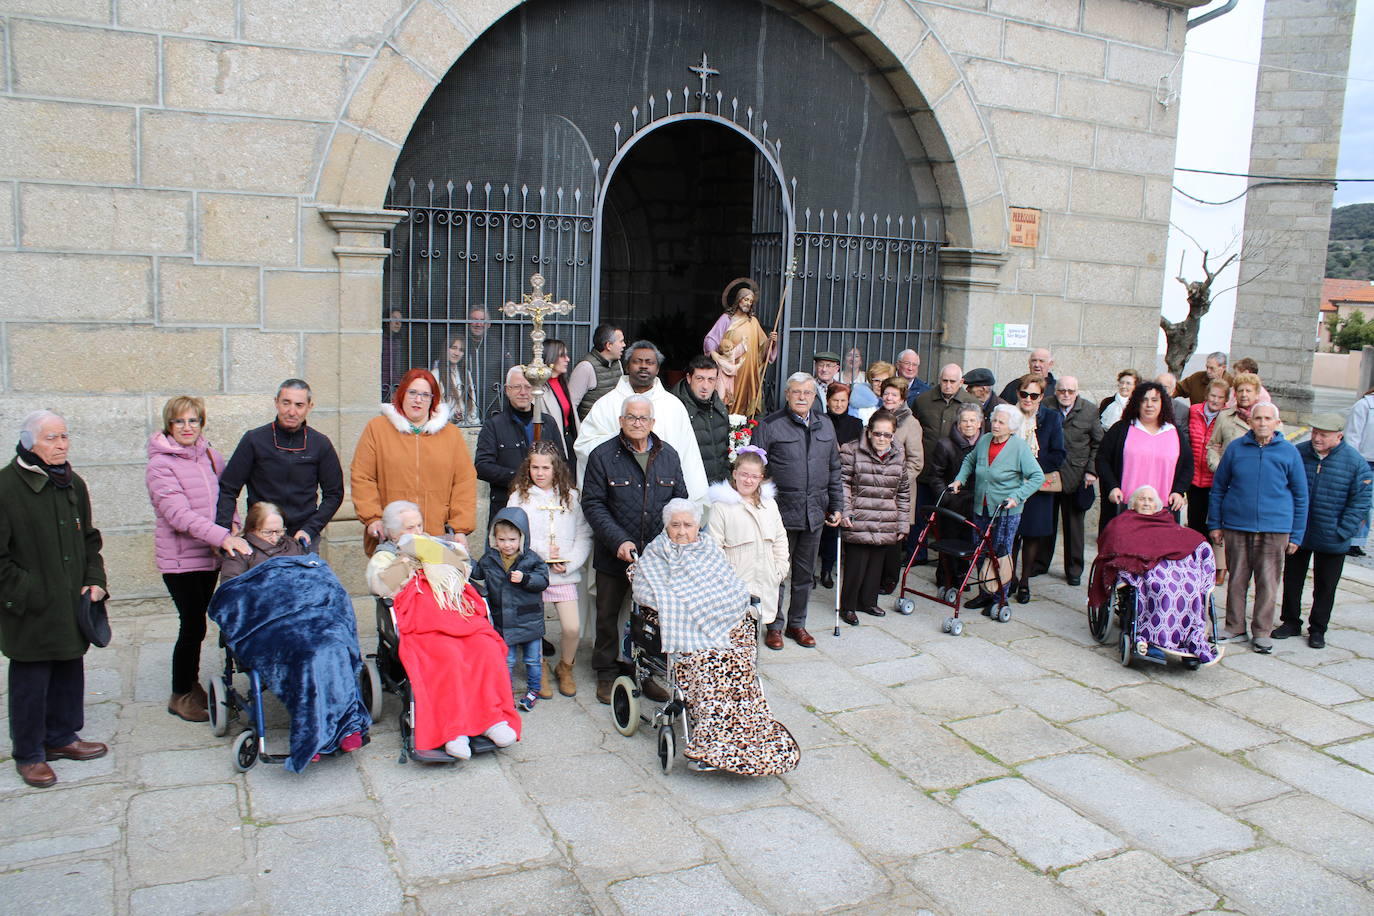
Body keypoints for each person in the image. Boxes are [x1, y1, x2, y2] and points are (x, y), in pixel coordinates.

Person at [631, 499, 800, 775]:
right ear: (666, 526)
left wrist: (709, 607)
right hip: (686, 636)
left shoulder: (709, 548)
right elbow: (644, 592)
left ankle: (753, 737)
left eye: (688, 525)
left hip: (720, 629)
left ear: (699, 526)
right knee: (707, 667)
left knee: (739, 663)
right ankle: (711, 743)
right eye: (675, 525)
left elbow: (732, 587)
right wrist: (682, 602)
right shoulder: (656, 552)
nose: (682, 531)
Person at [213, 500, 368, 771]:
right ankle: (313, 735)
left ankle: (346, 726)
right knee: (306, 654)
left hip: (309, 617)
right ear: (252, 529)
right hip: (269, 626)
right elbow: (230, 598)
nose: (275, 537)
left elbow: (319, 581)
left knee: (334, 644)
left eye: (279, 531)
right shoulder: (240, 554)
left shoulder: (294, 546)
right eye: (268, 533)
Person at [0, 410, 109, 788]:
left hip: (70, 601)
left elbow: (89, 540)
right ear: (29, 443)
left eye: (64, 436)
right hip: (29, 605)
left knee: (68, 667)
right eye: (51, 438)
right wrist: (29, 591)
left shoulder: (72, 483)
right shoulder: (6, 487)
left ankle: (62, 737)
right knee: (31, 677)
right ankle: (29, 753)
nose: (61, 444)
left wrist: (94, 579)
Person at [366, 502, 519, 760]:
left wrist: (440, 554)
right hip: (422, 622)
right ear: (393, 533)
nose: (417, 530)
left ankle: (491, 719)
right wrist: (407, 560)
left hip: (457, 615)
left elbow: (466, 570)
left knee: (487, 648)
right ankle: (453, 731)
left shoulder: (436, 544)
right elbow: (378, 586)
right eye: (409, 527)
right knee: (447, 656)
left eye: (419, 525)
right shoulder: (386, 555)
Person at [146, 396, 252, 723]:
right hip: (181, 561)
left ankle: (192, 685)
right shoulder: (160, 465)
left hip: (211, 556)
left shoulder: (211, 456)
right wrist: (223, 536)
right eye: (180, 422)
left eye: (193, 421)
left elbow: (227, 496)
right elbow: (178, 515)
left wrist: (233, 524)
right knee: (191, 625)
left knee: (200, 624)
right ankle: (180, 694)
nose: (187, 427)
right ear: (169, 426)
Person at [581, 395, 688, 704]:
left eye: (643, 418)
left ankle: (644, 671)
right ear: (621, 421)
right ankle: (605, 673)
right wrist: (618, 541)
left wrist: (674, 539)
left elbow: (679, 501)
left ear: (652, 422)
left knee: (650, 619)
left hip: (656, 558)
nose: (637, 423)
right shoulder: (602, 456)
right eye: (631, 417)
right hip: (614, 554)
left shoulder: (669, 455)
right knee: (607, 615)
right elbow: (592, 503)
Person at [751, 373, 844, 649]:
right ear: (787, 395)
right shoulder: (770, 425)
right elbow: (757, 469)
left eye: (807, 392)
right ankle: (774, 626)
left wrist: (837, 505)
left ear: (815, 397)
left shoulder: (826, 425)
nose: (802, 397)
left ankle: (797, 624)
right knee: (777, 573)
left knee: (804, 575)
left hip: (814, 511)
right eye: (796, 392)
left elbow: (834, 469)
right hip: (780, 513)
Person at [1208, 403, 1307, 654]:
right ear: (1250, 422)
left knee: (1268, 582)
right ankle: (1235, 627)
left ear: (1276, 422)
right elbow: (1219, 487)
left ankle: (1262, 631)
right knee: (1237, 579)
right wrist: (1215, 523)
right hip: (1237, 525)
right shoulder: (1236, 449)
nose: (1262, 423)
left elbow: (1301, 496)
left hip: (1275, 528)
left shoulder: (1289, 452)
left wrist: (1296, 534)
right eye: (1258, 418)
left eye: (1267, 419)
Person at [351, 368, 478, 555]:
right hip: (392, 536)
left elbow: (464, 483)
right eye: (413, 393)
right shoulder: (377, 429)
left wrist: (459, 528)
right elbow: (363, 477)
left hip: (437, 536)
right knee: (394, 583)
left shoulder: (451, 434)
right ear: (402, 394)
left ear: (433, 400)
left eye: (425, 395)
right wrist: (373, 518)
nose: (418, 400)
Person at [1089, 486, 1220, 665]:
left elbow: (1185, 538)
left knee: (1191, 587)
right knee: (1162, 588)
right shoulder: (1121, 523)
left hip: (1173, 567)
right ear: (1133, 503)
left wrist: (1201, 544)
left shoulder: (1165, 521)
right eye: (1142, 499)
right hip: (1145, 569)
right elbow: (1112, 545)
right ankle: (1151, 638)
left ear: (1158, 505)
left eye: (1150, 500)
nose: (1146, 503)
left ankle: (1190, 641)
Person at [1277, 414, 1371, 649]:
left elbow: (1361, 501)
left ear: (1339, 436)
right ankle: (1290, 621)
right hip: (1300, 531)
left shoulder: (1354, 462)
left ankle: (1318, 628)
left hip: (1332, 534)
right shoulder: (1299, 452)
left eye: (1323, 435)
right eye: (1315, 432)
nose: (1316, 438)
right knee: (1292, 578)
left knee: (1326, 585)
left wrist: (1343, 531)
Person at [215, 379, 344, 551]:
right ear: (276, 402)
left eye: (299, 405)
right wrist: (225, 531)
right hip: (260, 536)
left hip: (302, 537)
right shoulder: (254, 439)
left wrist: (310, 529)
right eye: (286, 403)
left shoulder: (320, 443)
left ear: (309, 407)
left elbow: (334, 494)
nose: (292, 411)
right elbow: (228, 488)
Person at [574, 340, 708, 500]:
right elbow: (584, 446)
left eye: (649, 362)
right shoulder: (606, 404)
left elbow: (688, 456)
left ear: (657, 369)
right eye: (637, 361)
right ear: (627, 366)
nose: (643, 366)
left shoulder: (673, 406)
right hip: (617, 497)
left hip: (663, 498)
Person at [506, 443, 591, 697]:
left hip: (563, 573)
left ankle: (565, 667)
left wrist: (571, 562)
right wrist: (539, 558)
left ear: (556, 469)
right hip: (534, 573)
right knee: (536, 626)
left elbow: (584, 533)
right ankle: (539, 667)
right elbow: (513, 535)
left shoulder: (571, 497)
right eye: (535, 467)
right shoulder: (519, 497)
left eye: (546, 467)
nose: (540, 473)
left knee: (572, 627)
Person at [950, 404, 1044, 611]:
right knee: (980, 551)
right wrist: (959, 480)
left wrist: (1017, 497)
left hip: (1006, 511)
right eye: (994, 420)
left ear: (1011, 427)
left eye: (1001, 422)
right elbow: (969, 460)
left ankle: (1000, 598)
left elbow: (1038, 477)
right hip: (981, 507)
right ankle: (984, 593)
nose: (996, 425)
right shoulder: (984, 440)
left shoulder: (1019, 447)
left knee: (1000, 554)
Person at [471, 508, 551, 712]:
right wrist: (462, 559)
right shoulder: (489, 559)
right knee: (506, 661)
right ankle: (506, 692)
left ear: (522, 538)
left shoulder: (531, 559)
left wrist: (525, 579)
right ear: (494, 539)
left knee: (533, 660)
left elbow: (543, 581)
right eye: (502, 539)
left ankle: (534, 689)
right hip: (503, 621)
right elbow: (477, 572)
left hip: (529, 618)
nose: (507, 545)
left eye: (512, 539)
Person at [837, 410, 911, 625]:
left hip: (886, 517)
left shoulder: (899, 453)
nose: (881, 439)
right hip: (859, 515)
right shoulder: (851, 450)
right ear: (868, 432)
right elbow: (843, 484)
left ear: (893, 435)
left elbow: (904, 491)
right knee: (856, 564)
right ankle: (848, 606)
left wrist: (902, 523)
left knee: (876, 564)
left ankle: (868, 602)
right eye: (877, 433)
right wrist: (846, 511)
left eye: (887, 435)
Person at [706, 448, 790, 629]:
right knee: (736, 637)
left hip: (766, 579)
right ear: (735, 474)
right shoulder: (721, 507)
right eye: (744, 474)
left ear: (761, 478)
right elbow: (713, 548)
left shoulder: (769, 505)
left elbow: (780, 538)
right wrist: (728, 580)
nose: (748, 480)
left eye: (754, 476)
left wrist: (780, 568)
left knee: (757, 631)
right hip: (735, 585)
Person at [475, 367, 567, 528]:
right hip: (506, 507)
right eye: (517, 387)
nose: (523, 392)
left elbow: (562, 463)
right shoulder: (494, 425)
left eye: (528, 386)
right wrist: (520, 478)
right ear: (507, 390)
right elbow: (482, 466)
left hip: (545, 508)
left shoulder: (547, 423)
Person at [1096, 381, 1192, 535]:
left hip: (1162, 511)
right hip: (1125, 507)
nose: (1149, 405)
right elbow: (1102, 460)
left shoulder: (1174, 432)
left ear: (1163, 404)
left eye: (1155, 400)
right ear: (1136, 403)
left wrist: (1179, 491)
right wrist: (1112, 486)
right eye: (1144, 400)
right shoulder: (1121, 429)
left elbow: (1187, 465)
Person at [1007, 374, 1065, 603]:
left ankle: (1024, 581)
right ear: (1018, 393)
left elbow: (1058, 453)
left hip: (1037, 485)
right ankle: (1008, 577)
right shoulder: (1008, 415)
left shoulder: (1051, 418)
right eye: (1024, 394)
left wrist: (1030, 468)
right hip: (1010, 484)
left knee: (1032, 535)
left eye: (1034, 395)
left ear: (1041, 396)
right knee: (1010, 534)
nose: (1028, 399)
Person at [1040, 375, 1101, 586]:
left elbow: (1097, 444)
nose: (1066, 395)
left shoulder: (1090, 410)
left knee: (1074, 527)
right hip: (1050, 473)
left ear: (1077, 391)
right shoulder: (1046, 405)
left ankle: (1074, 569)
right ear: (1055, 391)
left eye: (1070, 391)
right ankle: (1040, 563)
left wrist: (1092, 471)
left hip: (1077, 476)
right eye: (1061, 390)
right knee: (1046, 522)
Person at [913, 364, 975, 562]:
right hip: (926, 468)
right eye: (944, 381)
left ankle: (947, 561)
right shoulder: (923, 400)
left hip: (953, 474)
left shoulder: (971, 403)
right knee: (919, 514)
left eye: (952, 381)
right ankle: (917, 554)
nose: (947, 385)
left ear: (961, 382)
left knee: (950, 520)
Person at [927, 403, 983, 592]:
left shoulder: (985, 444)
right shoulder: (945, 444)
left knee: (969, 541)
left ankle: (961, 577)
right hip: (952, 502)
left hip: (975, 503)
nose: (968, 424)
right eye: (964, 420)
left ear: (980, 423)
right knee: (949, 540)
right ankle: (945, 578)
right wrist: (947, 499)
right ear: (958, 423)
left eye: (972, 420)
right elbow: (935, 476)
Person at [704, 281, 779, 416]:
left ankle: (743, 427)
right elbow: (711, 338)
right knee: (728, 396)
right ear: (739, 300)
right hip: (730, 368)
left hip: (749, 370)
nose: (748, 303)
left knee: (746, 398)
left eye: (750, 301)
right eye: (746, 299)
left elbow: (763, 346)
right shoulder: (727, 319)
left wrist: (772, 342)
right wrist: (713, 354)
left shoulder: (753, 322)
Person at [878, 378, 925, 578]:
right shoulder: (877, 417)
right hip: (875, 487)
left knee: (893, 540)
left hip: (898, 491)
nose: (889, 398)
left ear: (902, 398)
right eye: (886, 393)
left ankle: (889, 580)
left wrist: (897, 482)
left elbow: (916, 461)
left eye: (894, 395)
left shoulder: (910, 423)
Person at [818, 382, 863, 588]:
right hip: (820, 476)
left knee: (832, 528)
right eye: (835, 400)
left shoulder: (856, 424)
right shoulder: (820, 420)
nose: (838, 404)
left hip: (842, 479)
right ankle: (810, 570)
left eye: (843, 401)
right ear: (828, 401)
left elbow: (859, 452)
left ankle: (827, 570)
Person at [671, 354, 732, 485]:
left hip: (719, 487)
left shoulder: (719, 407)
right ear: (689, 378)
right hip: (689, 488)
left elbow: (724, 451)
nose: (705, 386)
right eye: (700, 379)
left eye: (711, 380)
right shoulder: (675, 408)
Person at [1185, 379, 1230, 536]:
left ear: (1225, 400)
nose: (1215, 400)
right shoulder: (1193, 411)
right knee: (1194, 523)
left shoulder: (1227, 418)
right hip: (1194, 478)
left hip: (1214, 480)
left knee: (1212, 526)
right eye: (1213, 395)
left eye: (1220, 397)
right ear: (1206, 395)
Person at [1206, 372, 1264, 471]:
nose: (1244, 394)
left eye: (1248, 391)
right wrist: (1219, 468)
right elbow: (1212, 446)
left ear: (1257, 395)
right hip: (1229, 477)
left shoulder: (1266, 417)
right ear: (1235, 394)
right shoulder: (1225, 416)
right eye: (1240, 391)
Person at [569, 322, 625, 421]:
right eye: (621, 341)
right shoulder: (586, 367)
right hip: (592, 431)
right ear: (609, 345)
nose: (624, 345)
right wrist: (578, 432)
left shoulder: (617, 364)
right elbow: (571, 404)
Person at [1344, 385, 1374, 557]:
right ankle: (1353, 539)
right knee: (1362, 502)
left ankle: (1359, 539)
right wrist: (1354, 462)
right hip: (1364, 461)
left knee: (1369, 504)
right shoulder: (1364, 406)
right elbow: (1353, 435)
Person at [538, 338, 578, 464]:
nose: (567, 359)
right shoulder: (539, 388)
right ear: (551, 357)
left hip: (569, 441)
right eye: (562, 355)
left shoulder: (562, 383)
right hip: (552, 446)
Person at [432, 335, 479, 426]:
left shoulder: (466, 374)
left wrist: (472, 424)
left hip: (466, 425)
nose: (457, 353)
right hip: (444, 427)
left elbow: (472, 404)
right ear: (446, 349)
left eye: (461, 350)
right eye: (453, 348)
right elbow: (435, 406)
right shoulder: (435, 374)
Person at [381, 309, 407, 400]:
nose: (397, 323)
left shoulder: (397, 341)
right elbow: (387, 368)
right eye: (394, 319)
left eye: (400, 320)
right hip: (383, 387)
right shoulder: (382, 341)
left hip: (390, 386)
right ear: (387, 321)